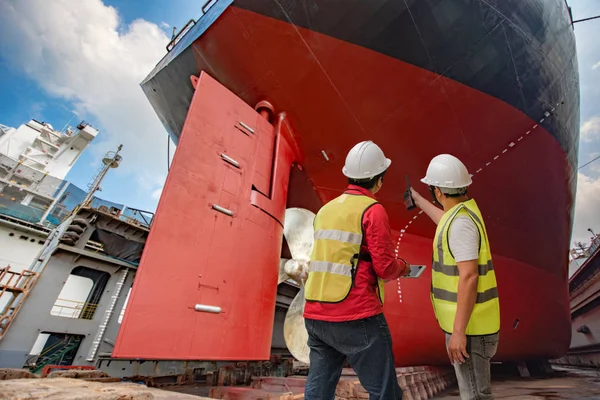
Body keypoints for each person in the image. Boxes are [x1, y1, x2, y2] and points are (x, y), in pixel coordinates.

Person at [302, 140, 410, 400]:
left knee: (318, 391)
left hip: (315, 315)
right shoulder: (372, 211)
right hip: (355, 315)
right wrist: (404, 268)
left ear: (348, 175)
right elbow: (384, 268)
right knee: (384, 391)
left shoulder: (325, 210)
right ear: (379, 180)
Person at [410, 154, 500, 400]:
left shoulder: (460, 224)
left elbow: (469, 277)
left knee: (475, 396)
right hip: (472, 326)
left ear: (437, 191)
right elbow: (444, 220)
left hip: (471, 331)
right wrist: (418, 200)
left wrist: (458, 333)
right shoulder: (461, 214)